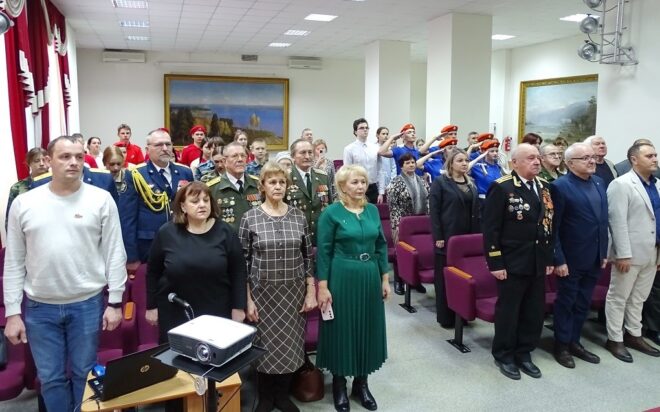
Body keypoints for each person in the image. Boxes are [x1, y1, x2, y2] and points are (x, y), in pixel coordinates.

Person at [4, 135, 127, 412]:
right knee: (51, 379)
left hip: (87, 304)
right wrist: (12, 312)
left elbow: (114, 253)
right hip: (40, 307)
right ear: (48, 161)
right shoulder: (25, 203)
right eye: (65, 156)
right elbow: (13, 261)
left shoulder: (101, 199)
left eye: (79, 157)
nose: (74, 162)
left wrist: (115, 301)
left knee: (85, 372)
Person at [239, 162, 317, 412]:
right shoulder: (249, 218)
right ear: (262, 186)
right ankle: (265, 397)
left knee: (290, 345)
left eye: (282, 182)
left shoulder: (298, 216)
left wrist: (310, 290)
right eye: (272, 182)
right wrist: (247, 299)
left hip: (293, 294)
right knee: (264, 345)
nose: (278, 186)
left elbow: (308, 256)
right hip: (262, 294)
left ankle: (282, 396)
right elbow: (243, 262)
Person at [316, 164, 390, 412]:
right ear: (342, 186)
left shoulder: (372, 211)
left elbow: (381, 245)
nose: (360, 186)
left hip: (369, 275)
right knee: (342, 328)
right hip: (342, 275)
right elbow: (323, 252)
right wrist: (323, 287)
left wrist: (385, 278)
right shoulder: (331, 213)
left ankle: (361, 383)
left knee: (367, 327)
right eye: (354, 182)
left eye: (363, 182)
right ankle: (339, 384)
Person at [482, 143, 554, 380]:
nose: (537, 162)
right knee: (509, 311)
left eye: (538, 158)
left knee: (533, 311)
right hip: (512, 261)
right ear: (515, 163)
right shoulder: (502, 187)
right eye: (530, 158)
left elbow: (548, 224)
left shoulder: (544, 186)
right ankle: (504, 354)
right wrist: (496, 262)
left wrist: (548, 257)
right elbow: (491, 229)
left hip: (537, 260)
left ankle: (524, 352)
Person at [146, 181, 246, 341]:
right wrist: (151, 306)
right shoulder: (166, 233)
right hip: (176, 310)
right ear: (183, 206)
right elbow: (152, 272)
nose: (202, 205)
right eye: (195, 201)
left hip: (218, 310)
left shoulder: (226, 232)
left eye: (206, 200)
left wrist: (239, 307)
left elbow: (238, 272)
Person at [550, 142, 608, 368]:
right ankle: (562, 345)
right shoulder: (559, 187)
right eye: (585, 158)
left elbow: (602, 221)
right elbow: (553, 227)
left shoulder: (599, 182)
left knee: (583, 303)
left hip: (594, 256)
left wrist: (603, 252)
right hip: (570, 258)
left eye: (592, 157)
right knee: (567, 302)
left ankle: (575, 341)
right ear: (569, 163)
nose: (592, 161)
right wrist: (559, 259)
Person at [605, 142, 660, 362]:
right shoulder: (621, 184)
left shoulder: (656, 185)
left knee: (639, 298)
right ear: (634, 159)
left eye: (655, 155)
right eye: (649, 156)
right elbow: (616, 221)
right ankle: (614, 338)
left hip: (652, 250)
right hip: (630, 252)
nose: (655, 159)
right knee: (619, 297)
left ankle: (634, 334)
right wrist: (622, 253)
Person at [429, 149, 480, 327]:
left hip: (466, 239)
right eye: (460, 160)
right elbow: (434, 212)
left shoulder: (471, 182)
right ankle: (446, 317)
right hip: (447, 237)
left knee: (463, 278)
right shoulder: (440, 182)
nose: (464, 163)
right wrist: (438, 236)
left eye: (466, 160)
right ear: (451, 164)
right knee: (445, 278)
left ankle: (462, 314)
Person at [130, 128, 194, 263]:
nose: (165, 148)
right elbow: (128, 218)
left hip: (182, 240)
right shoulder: (136, 174)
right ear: (147, 150)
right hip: (150, 243)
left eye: (168, 144)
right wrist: (131, 256)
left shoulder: (185, 172)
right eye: (159, 145)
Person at [386, 153, 430, 295]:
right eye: (407, 163)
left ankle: (415, 282)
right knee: (402, 253)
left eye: (412, 162)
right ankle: (399, 281)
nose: (411, 165)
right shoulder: (395, 182)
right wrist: (398, 226)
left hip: (420, 223)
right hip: (403, 224)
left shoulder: (422, 180)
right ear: (401, 166)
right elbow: (393, 207)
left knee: (419, 253)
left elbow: (428, 201)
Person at [207, 142, 261, 231]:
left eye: (243, 156)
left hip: (255, 237)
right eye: (235, 156)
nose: (240, 159)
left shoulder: (258, 184)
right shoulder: (212, 188)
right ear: (224, 161)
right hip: (227, 238)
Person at [286, 139, 331, 245]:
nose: (307, 156)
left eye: (310, 152)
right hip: (295, 236)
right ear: (293, 156)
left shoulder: (322, 176)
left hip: (319, 236)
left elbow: (329, 206)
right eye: (302, 153)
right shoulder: (286, 177)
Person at [5, 147, 50, 230]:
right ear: (29, 163)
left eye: (44, 160)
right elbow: (11, 220)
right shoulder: (18, 187)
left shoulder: (58, 183)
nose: (41, 164)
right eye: (37, 161)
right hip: (28, 229)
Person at [343, 118, 383, 204]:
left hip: (373, 187)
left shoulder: (375, 148)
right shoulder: (349, 149)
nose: (365, 130)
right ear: (355, 132)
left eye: (366, 128)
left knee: (372, 211)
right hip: (357, 187)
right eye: (361, 128)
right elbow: (347, 172)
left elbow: (380, 170)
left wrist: (381, 192)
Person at [469, 139, 505, 205]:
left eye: (496, 151)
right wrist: (478, 158)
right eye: (492, 151)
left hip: (498, 200)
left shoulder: (498, 167)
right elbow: (465, 168)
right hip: (483, 201)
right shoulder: (478, 167)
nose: (495, 153)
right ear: (484, 151)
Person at [376, 127, 396, 191]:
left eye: (387, 134)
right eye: (383, 134)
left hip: (389, 182)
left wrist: (391, 183)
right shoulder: (373, 148)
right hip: (376, 181)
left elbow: (393, 167)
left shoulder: (390, 150)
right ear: (377, 135)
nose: (386, 136)